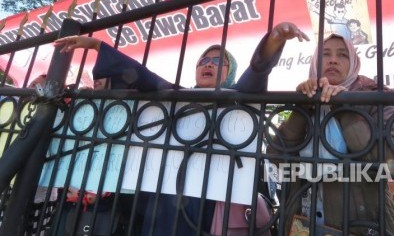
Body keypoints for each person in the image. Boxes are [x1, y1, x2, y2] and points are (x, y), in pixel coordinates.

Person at [54, 22, 309, 235]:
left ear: (230, 72)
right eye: (204, 60)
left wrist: (274, 41)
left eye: (218, 61)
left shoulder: (238, 97)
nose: (208, 64)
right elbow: (141, 75)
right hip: (163, 202)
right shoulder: (176, 96)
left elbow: (255, 77)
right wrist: (98, 46)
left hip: (208, 203)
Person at [267, 33, 394, 235]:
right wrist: (301, 110)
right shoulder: (307, 96)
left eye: (343, 55)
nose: (333, 59)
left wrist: (344, 106)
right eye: (325, 54)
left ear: (354, 63)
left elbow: (393, 160)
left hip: (363, 223)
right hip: (302, 220)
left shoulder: (374, 96)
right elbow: (277, 159)